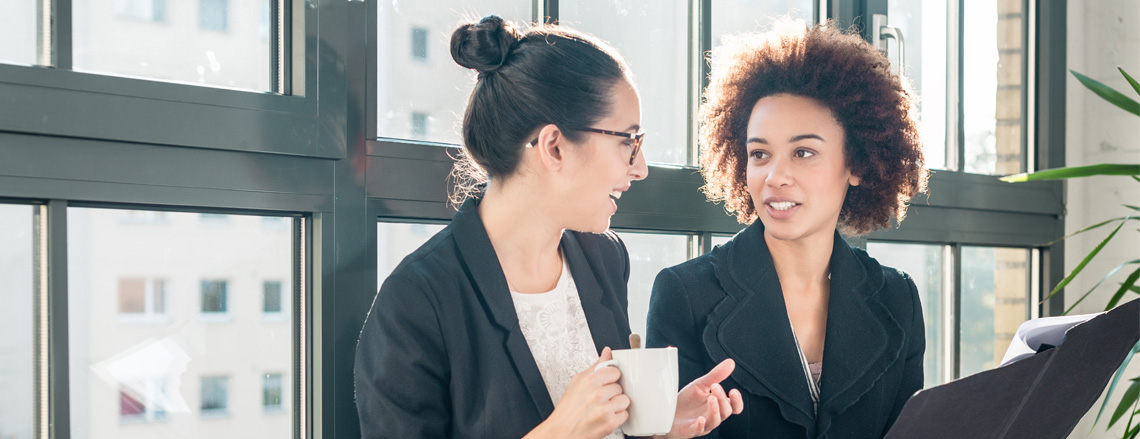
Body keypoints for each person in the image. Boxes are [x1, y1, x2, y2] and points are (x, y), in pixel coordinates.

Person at [355, 16, 743, 439]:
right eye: (628, 142)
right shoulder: (415, 302)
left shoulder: (604, 257)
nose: (641, 168)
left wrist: (655, 427)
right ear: (554, 146)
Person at [646, 22, 929, 438]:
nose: (775, 176)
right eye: (759, 153)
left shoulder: (897, 298)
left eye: (803, 152)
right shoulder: (685, 296)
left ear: (856, 164)